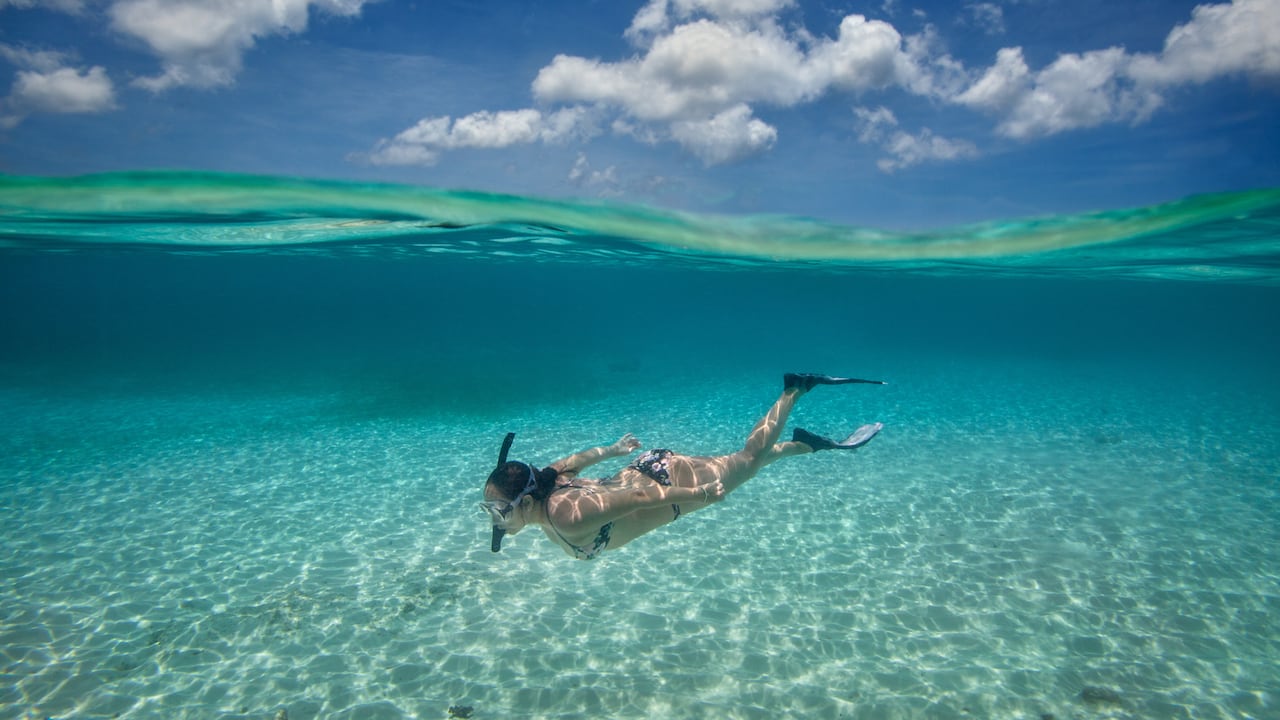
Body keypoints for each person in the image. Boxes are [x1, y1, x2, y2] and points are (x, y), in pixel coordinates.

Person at [479, 373, 886, 560]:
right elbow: (574, 462)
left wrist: (700, 494)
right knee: (749, 466)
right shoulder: (546, 481)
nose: (494, 520)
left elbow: (638, 498)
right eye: (489, 511)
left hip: (667, 484)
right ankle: (809, 445)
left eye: (497, 510)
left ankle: (795, 388)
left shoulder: (568, 517)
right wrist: (612, 449)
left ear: (526, 501)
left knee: (746, 460)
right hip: (650, 468)